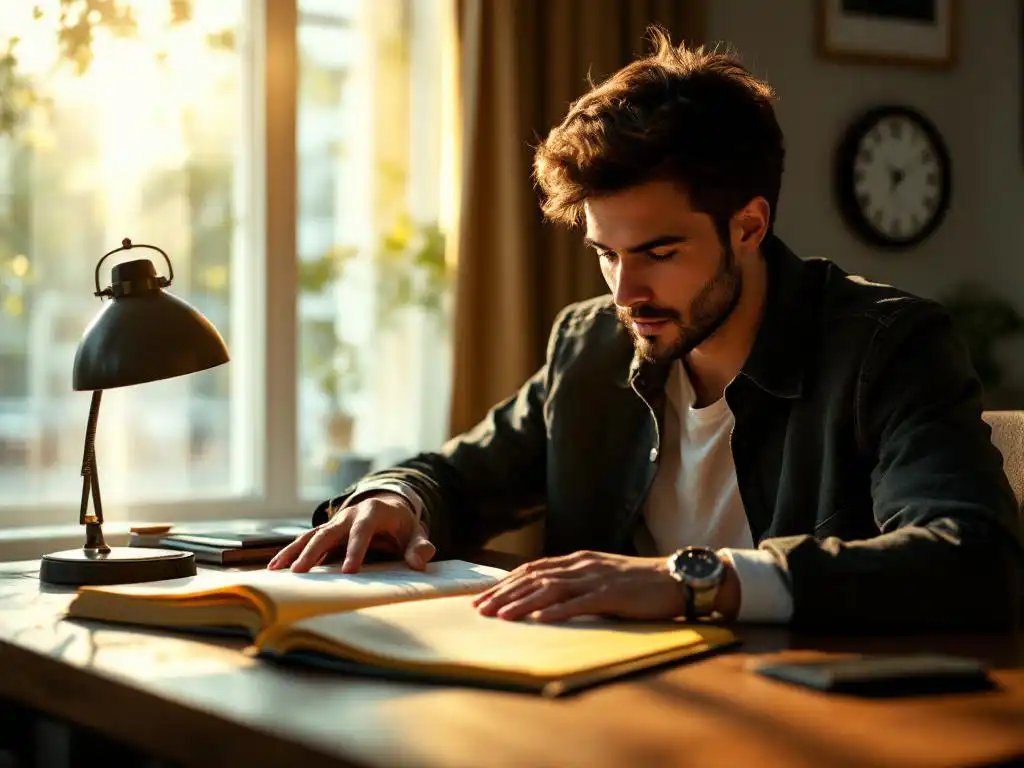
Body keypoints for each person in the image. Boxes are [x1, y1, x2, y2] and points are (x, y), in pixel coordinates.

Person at [270, 29, 1024, 631]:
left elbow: (973, 558)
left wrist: (692, 581)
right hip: (607, 710)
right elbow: (460, 476)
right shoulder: (591, 345)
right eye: (606, 254)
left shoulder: (888, 348)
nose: (626, 293)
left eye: (659, 253)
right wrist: (395, 500)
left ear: (749, 225)